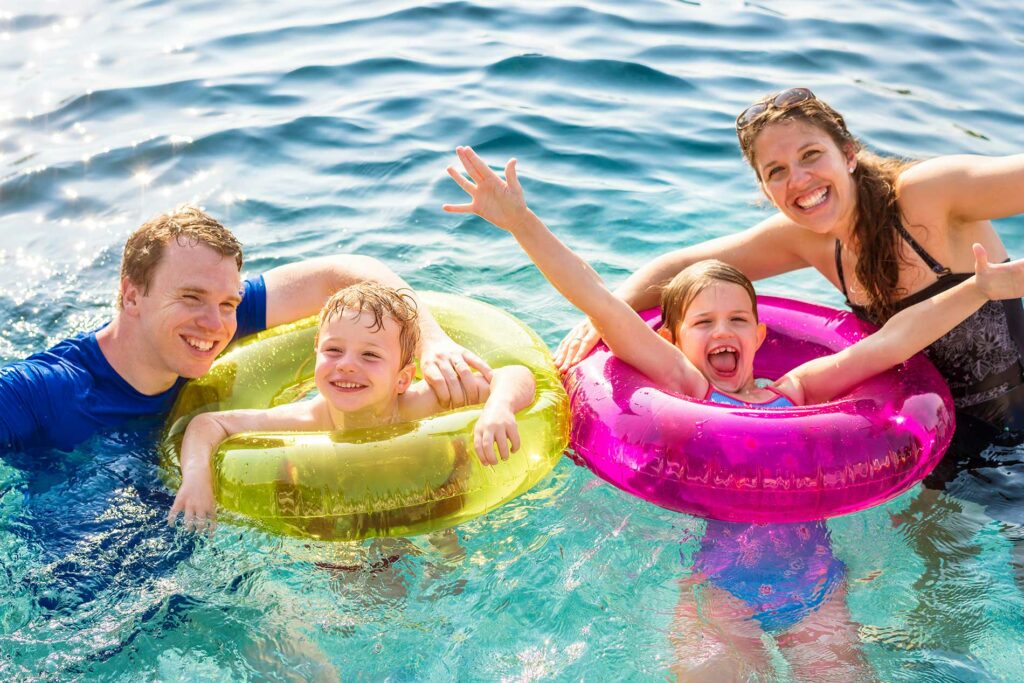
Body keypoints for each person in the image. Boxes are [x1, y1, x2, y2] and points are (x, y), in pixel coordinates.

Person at [554, 89, 1024, 435]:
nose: (799, 181)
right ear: (764, 189)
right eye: (776, 172)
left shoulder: (928, 195)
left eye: (811, 155)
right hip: (938, 430)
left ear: (849, 154)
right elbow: (678, 269)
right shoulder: (809, 239)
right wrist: (603, 315)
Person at [443, 145, 1024, 408]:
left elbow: (895, 341)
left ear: (761, 336)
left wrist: (979, 288)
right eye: (705, 322)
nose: (724, 331)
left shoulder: (794, 390)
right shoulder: (684, 382)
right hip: (720, 584)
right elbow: (591, 292)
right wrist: (520, 221)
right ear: (674, 340)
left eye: (739, 319)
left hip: (818, 581)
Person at [0, 206, 490, 453]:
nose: (214, 326)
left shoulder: (220, 323)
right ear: (131, 295)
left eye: (229, 302)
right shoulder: (49, 390)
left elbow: (346, 270)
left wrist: (431, 341)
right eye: (190, 298)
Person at [168, 282, 536, 531]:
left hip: (432, 501)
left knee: (446, 574)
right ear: (315, 355)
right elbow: (208, 424)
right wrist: (197, 479)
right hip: (341, 517)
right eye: (333, 350)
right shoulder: (309, 419)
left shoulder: (422, 404)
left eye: (370, 355)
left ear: (403, 379)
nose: (346, 364)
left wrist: (498, 407)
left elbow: (517, 375)